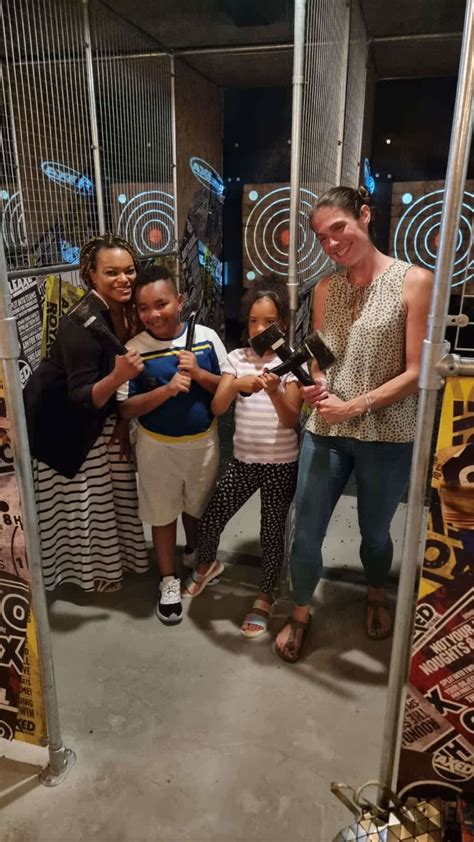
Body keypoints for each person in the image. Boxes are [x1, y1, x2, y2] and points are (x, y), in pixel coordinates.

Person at [275, 185, 433, 663]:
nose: (331, 243)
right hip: (326, 429)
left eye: (338, 228)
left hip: (388, 433)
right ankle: (300, 610)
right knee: (306, 528)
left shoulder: (414, 281)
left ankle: (376, 591)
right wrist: (316, 383)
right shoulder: (326, 288)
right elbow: (321, 355)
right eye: (321, 237)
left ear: (364, 216)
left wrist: (356, 406)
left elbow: (417, 372)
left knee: (376, 531)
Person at [24, 234, 149, 592]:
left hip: (97, 414)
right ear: (91, 275)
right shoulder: (80, 322)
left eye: (129, 270)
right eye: (111, 272)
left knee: (110, 493)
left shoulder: (124, 311)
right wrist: (119, 376)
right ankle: (87, 574)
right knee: (82, 502)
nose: (123, 279)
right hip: (59, 421)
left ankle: (113, 563)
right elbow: (79, 397)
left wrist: (121, 420)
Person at [181, 275, 303, 639]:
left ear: (283, 323)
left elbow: (290, 420)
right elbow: (218, 407)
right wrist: (235, 384)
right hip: (243, 462)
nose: (260, 329)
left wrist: (274, 391)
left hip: (281, 465)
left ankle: (265, 595)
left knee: (271, 533)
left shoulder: (292, 361)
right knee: (212, 518)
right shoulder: (237, 358)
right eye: (253, 321)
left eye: (269, 321)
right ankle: (208, 565)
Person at [118, 265, 227, 626]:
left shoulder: (207, 338)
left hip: (203, 444)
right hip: (156, 448)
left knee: (198, 508)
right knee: (163, 515)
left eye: (161, 304)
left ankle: (195, 554)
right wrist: (166, 391)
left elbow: (228, 390)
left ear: (179, 301)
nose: (153, 315)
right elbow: (126, 408)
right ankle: (168, 580)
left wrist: (198, 372)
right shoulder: (134, 350)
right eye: (143, 308)